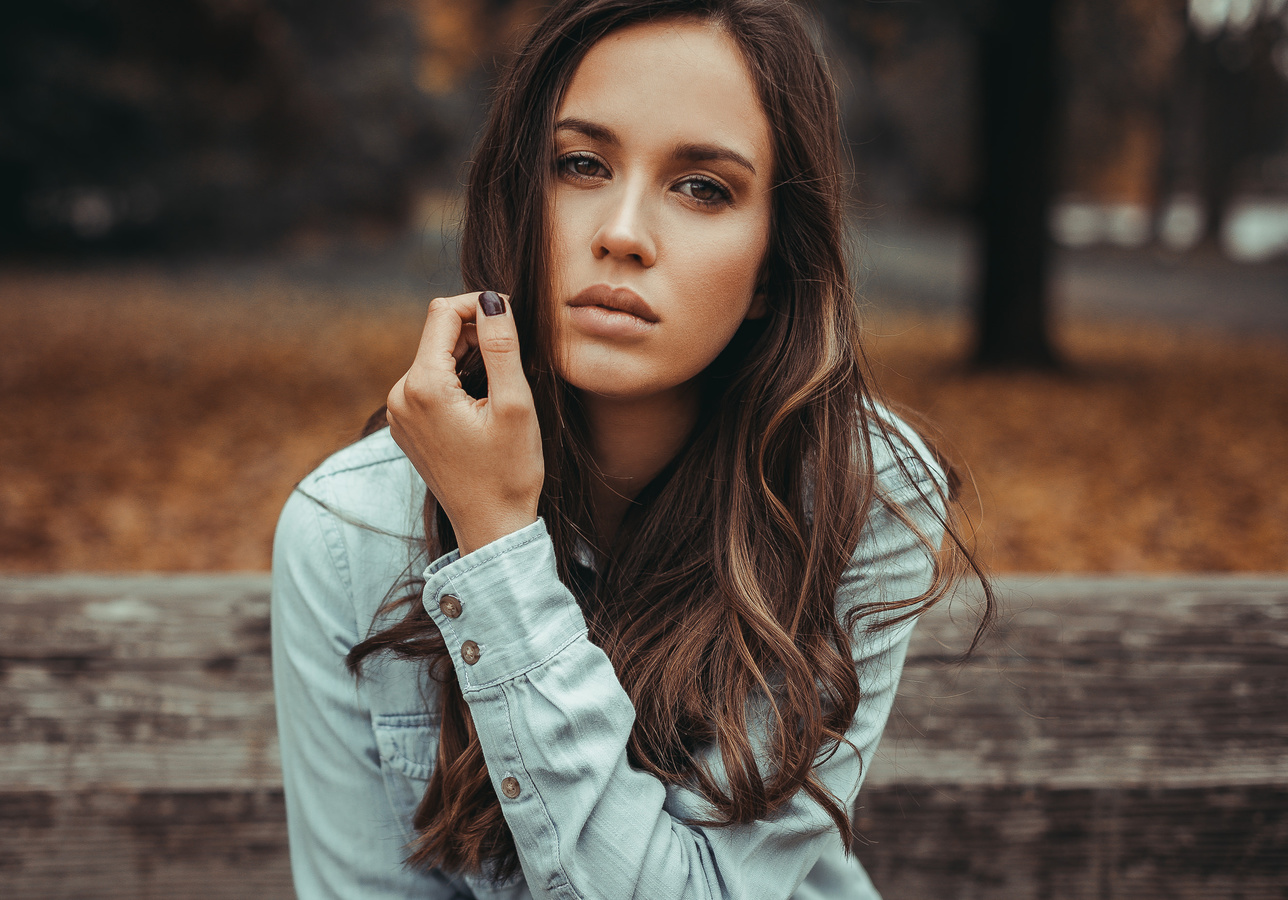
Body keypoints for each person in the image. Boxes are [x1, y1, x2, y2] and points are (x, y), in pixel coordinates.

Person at [270, 0, 991, 897]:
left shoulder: (860, 494)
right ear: (516, 200)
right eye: (581, 165)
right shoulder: (352, 532)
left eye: (702, 187)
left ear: (772, 268)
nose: (621, 233)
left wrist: (496, 549)